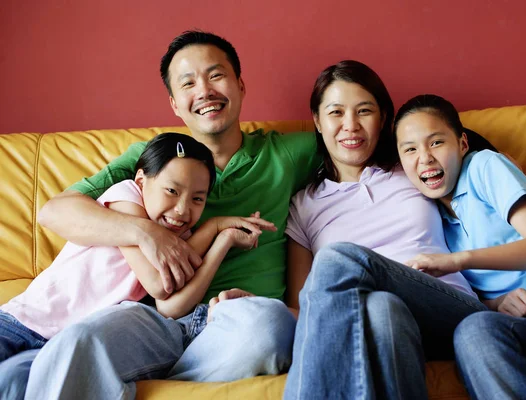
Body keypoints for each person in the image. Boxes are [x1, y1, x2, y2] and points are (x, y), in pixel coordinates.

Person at [18, 30, 319, 400]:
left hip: (234, 318)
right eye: (188, 83)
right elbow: (55, 212)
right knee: (79, 339)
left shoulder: (286, 153)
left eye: (216, 75)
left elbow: (359, 142)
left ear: (240, 85)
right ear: (175, 104)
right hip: (153, 320)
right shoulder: (153, 158)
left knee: (270, 327)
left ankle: (133, 378)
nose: (205, 90)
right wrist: (147, 233)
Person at [283, 60, 493, 400]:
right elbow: (307, 309)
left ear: (383, 119)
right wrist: (256, 308)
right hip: (376, 321)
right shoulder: (304, 205)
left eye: (364, 111)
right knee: (382, 308)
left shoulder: (413, 164)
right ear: (318, 121)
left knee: (338, 257)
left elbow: (496, 180)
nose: (350, 126)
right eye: (336, 113)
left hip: (449, 308)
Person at [1, 132, 262, 397]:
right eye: (171, 191)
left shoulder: (180, 239)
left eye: (197, 199)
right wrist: (212, 226)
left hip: (61, 345)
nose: (182, 210)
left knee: (10, 383)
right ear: (141, 181)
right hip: (20, 323)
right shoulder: (125, 199)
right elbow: (159, 283)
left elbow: (171, 305)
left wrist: (223, 240)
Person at [394, 94, 526, 399]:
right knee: (475, 332)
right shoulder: (425, 216)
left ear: (462, 144)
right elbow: (468, 296)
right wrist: (498, 303)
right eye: (410, 149)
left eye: (436, 142)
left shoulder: (483, 166)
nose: (424, 158)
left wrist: (460, 260)